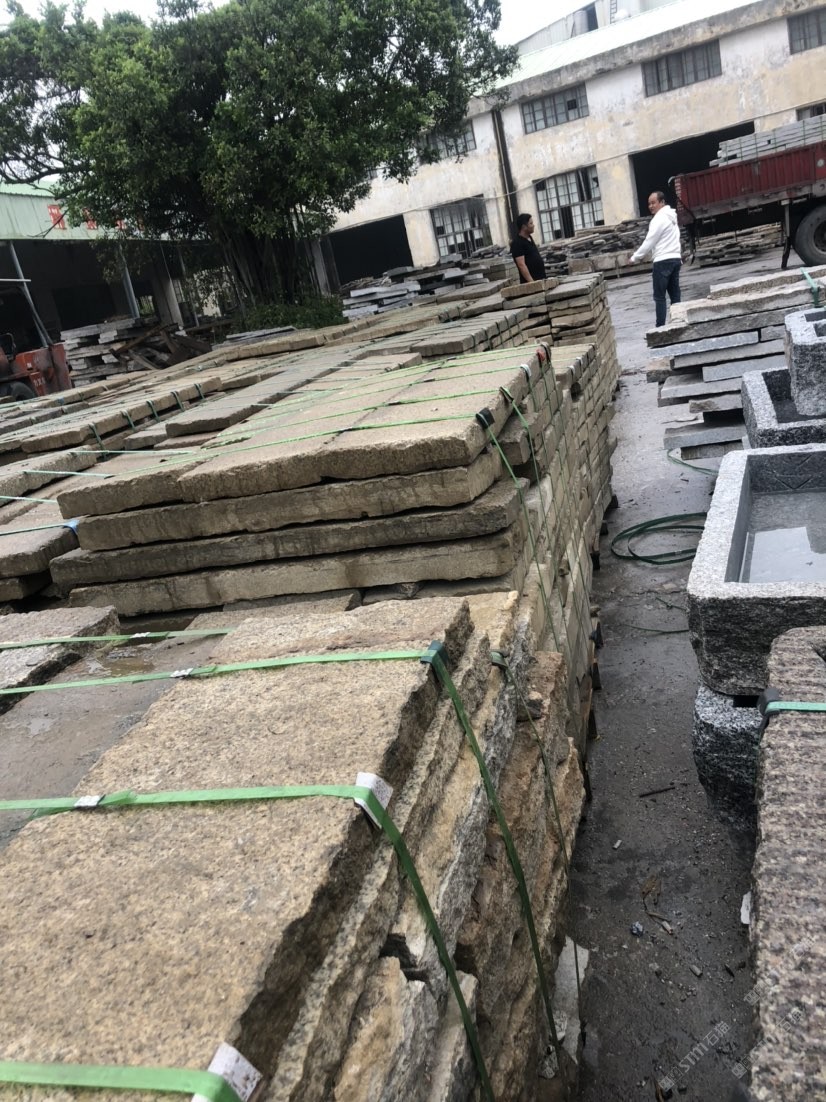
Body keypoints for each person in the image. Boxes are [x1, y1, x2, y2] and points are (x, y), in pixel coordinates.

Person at [630, 191, 682, 327]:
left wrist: (635, 257)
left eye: (653, 203)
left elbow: (650, 241)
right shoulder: (672, 216)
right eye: (649, 204)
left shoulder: (659, 219)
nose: (651, 206)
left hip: (662, 261)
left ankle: (660, 328)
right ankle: (679, 323)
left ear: (662, 202)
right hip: (675, 259)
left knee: (659, 297)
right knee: (675, 295)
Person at [510, 213, 546, 284]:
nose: (533, 225)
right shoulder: (517, 243)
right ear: (524, 227)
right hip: (531, 283)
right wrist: (532, 283)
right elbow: (521, 265)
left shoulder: (529, 238)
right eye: (531, 223)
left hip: (541, 279)